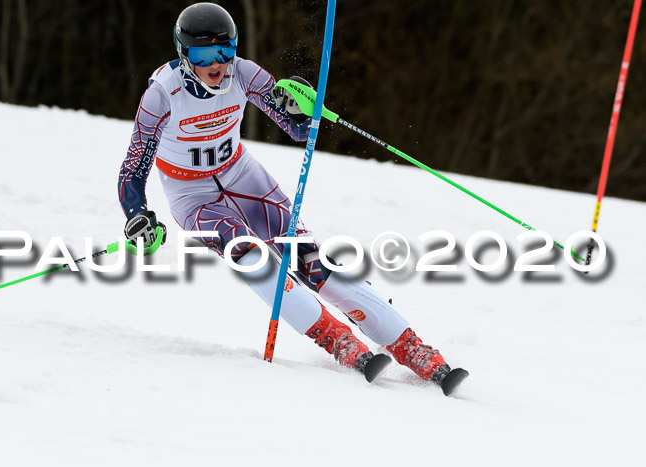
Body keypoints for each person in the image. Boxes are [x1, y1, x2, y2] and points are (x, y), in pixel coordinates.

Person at [118, 2, 467, 393]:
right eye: (204, 55)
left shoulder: (244, 73)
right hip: (191, 193)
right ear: (184, 57)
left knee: (311, 261)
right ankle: (336, 339)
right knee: (251, 256)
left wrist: (301, 109)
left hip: (242, 175)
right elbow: (134, 165)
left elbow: (297, 129)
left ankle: (414, 348)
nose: (218, 64)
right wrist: (138, 214)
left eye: (226, 50)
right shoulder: (162, 95)